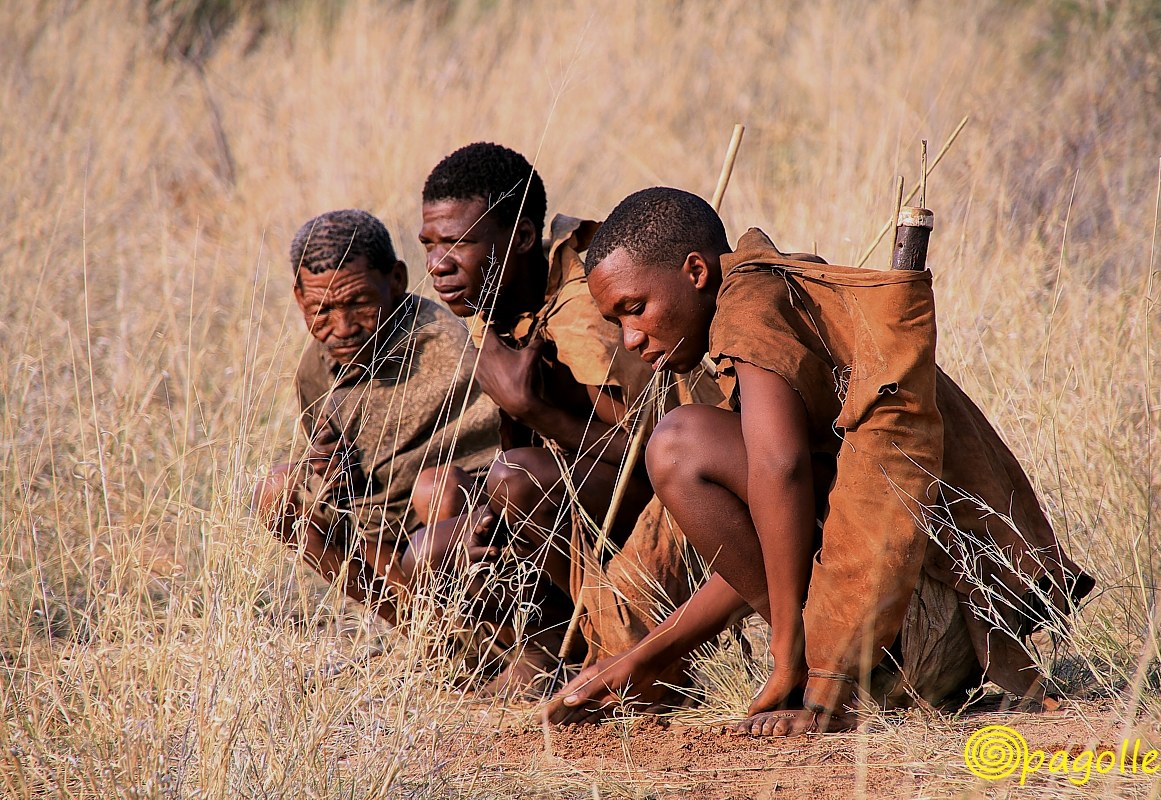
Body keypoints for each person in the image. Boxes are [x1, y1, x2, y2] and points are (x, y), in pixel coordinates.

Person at [546, 187, 1093, 736]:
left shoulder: (751, 307)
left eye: (635, 309)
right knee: (695, 446)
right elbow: (770, 541)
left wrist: (795, 669)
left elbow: (781, 470)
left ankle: (822, 678)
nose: (632, 338)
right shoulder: (767, 306)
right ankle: (821, 669)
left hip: (928, 620)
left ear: (695, 272)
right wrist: (643, 657)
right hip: (937, 637)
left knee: (678, 444)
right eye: (616, 321)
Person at [418, 145, 720, 687]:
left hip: (663, 504)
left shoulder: (587, 306)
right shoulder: (492, 302)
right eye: (430, 244)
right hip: (573, 499)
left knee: (517, 480)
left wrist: (531, 408)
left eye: (460, 243)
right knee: (433, 525)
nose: (439, 265)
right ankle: (536, 643)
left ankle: (616, 645)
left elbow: (650, 457)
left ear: (525, 239)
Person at [253, 209, 502, 626]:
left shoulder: (444, 345)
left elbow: (490, 451)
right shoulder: (318, 367)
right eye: (322, 309)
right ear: (299, 297)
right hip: (379, 532)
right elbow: (343, 482)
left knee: (435, 487)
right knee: (276, 491)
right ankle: (425, 634)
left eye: (359, 303)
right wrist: (329, 470)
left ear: (397, 281)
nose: (343, 326)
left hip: (465, 526)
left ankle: (483, 632)